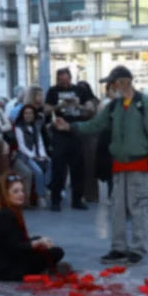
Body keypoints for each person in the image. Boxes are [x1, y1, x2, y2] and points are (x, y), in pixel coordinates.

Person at [55, 65, 148, 266]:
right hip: (119, 165)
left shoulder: (144, 103)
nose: (110, 88)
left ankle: (137, 248)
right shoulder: (114, 106)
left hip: (138, 163)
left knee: (138, 208)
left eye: (112, 84)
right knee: (117, 209)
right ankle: (118, 248)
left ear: (124, 82)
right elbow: (95, 124)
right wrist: (70, 126)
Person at [0, 173, 64, 281]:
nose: (21, 194)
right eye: (16, 191)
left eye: (22, 190)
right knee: (56, 252)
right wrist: (37, 243)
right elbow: (14, 247)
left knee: (42, 241)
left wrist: (39, 241)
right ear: (5, 194)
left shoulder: (9, 210)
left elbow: (17, 240)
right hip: (7, 267)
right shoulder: (4, 215)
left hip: (10, 259)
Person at [44, 67, 95, 211]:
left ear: (70, 78)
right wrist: (59, 106)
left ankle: (77, 199)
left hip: (76, 131)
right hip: (59, 132)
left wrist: (77, 105)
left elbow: (91, 109)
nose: (64, 83)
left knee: (78, 167)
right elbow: (46, 109)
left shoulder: (80, 90)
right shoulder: (53, 91)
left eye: (66, 80)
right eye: (61, 81)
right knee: (58, 168)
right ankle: (55, 200)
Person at [14, 104, 51, 207]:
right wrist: (33, 156)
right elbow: (21, 146)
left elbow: (40, 142)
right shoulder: (19, 127)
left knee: (50, 162)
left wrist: (44, 155)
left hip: (37, 154)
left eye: (30, 113)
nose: (28, 115)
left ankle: (46, 186)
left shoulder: (36, 126)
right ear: (22, 115)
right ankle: (41, 196)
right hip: (26, 156)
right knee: (38, 172)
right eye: (26, 113)